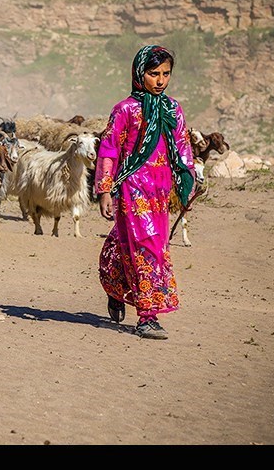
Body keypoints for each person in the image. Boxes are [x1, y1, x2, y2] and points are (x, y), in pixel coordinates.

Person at [93, 44, 197, 340]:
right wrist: (104, 190)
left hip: (160, 191)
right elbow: (109, 149)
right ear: (140, 73)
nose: (160, 80)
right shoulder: (125, 109)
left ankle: (115, 286)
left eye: (166, 73)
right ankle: (147, 317)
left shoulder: (173, 109)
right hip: (131, 190)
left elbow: (183, 148)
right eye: (153, 73)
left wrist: (186, 185)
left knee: (136, 243)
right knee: (147, 248)